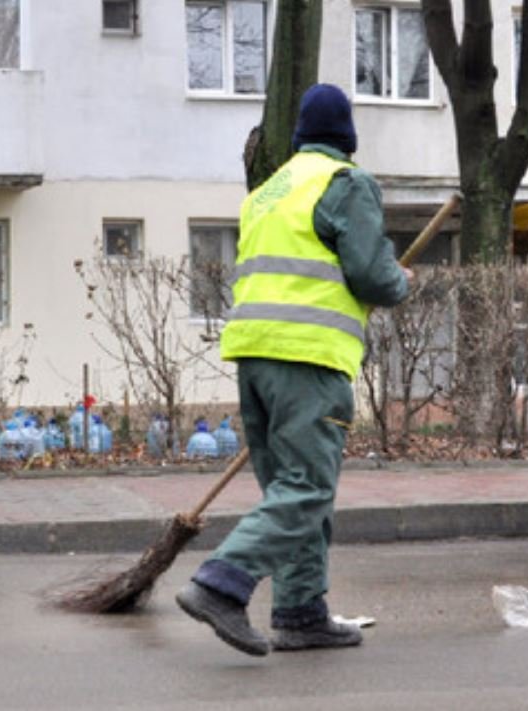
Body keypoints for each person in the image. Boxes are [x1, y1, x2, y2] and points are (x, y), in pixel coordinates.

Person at [176, 83, 412, 656]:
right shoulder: (345, 183)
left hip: (255, 354)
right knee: (307, 486)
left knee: (292, 487)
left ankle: (301, 611)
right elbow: (374, 276)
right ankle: (222, 583)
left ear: (302, 135)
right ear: (346, 137)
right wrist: (400, 281)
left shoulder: (269, 190)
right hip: (308, 356)